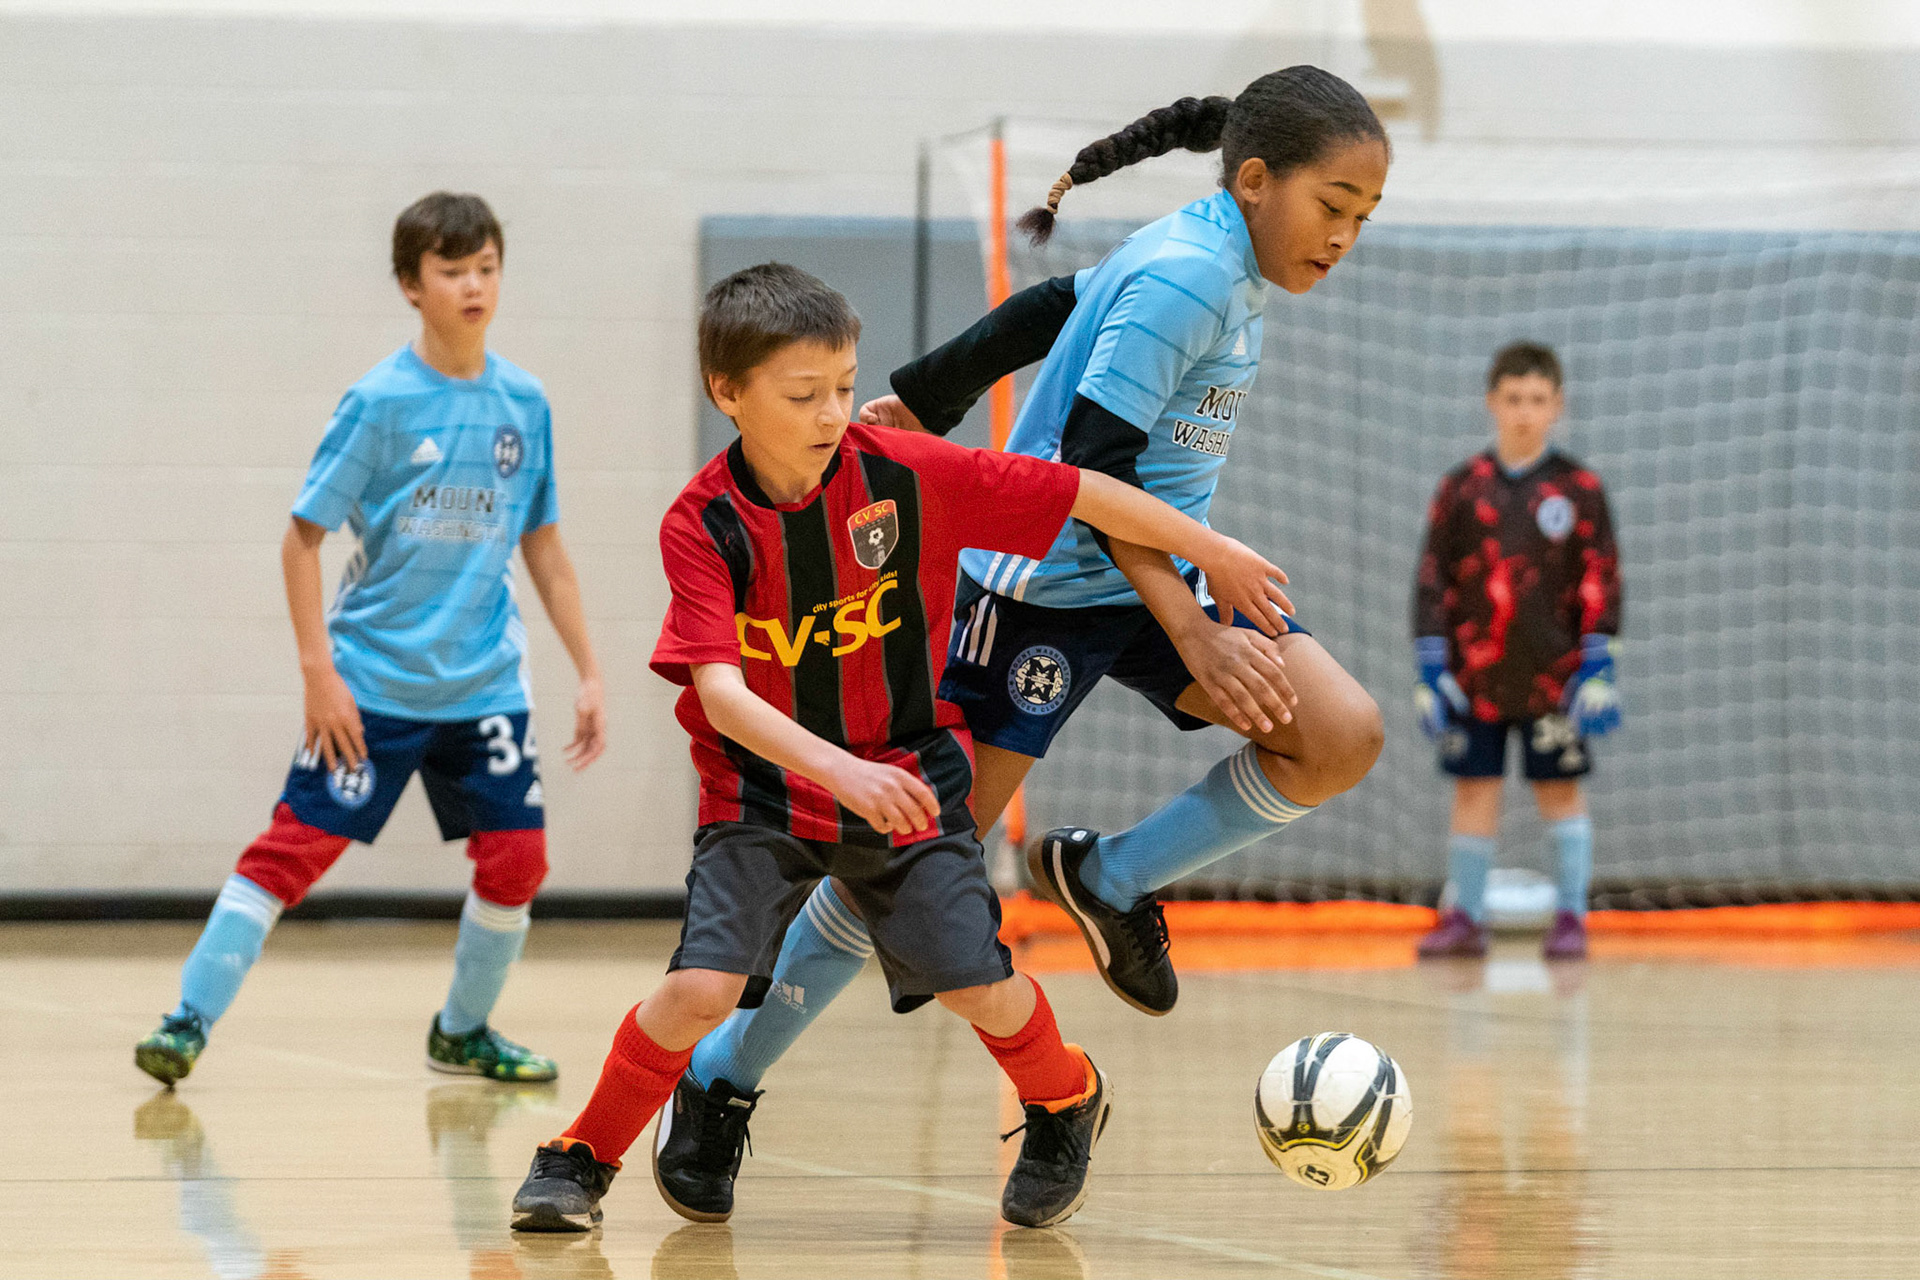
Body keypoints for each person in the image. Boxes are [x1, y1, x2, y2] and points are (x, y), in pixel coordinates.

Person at [656, 66, 1390, 1221]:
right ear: (1256, 182)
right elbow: (1086, 475)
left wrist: (927, 392)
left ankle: (1107, 876)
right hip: (1042, 587)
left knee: (1337, 732)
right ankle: (719, 1076)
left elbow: (1058, 305)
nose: (1344, 235)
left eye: (1363, 216)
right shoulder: (1194, 276)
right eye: (1332, 204)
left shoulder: (1216, 251)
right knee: (902, 851)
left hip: (1155, 577)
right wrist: (1193, 628)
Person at [505, 263, 1294, 1233]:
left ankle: (1065, 1096)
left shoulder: (902, 471)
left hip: (909, 780)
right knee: (699, 987)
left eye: (843, 385)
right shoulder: (703, 523)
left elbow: (1083, 488)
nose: (835, 412)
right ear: (728, 393)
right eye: (804, 395)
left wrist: (1205, 549)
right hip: (764, 794)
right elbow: (718, 690)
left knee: (983, 989)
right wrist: (839, 769)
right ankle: (579, 1155)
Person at [133, 192, 606, 1087]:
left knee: (520, 858)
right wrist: (320, 673)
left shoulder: (524, 402)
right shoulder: (380, 402)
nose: (473, 285)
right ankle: (187, 1019)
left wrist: (589, 670)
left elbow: (544, 545)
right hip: (375, 684)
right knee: (294, 851)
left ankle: (463, 1030)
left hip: (486, 687)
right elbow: (301, 539)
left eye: (487, 268)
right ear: (410, 285)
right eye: (451, 269)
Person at [1412, 341, 1623, 960]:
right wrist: (1430, 669)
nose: (1525, 411)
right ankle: (1465, 919)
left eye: (1537, 399)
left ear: (1557, 405)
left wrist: (1599, 665)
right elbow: (1432, 578)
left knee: (1560, 791)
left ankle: (1572, 919)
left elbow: (1601, 577)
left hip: (1555, 680)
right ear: (1492, 403)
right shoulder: (1460, 488)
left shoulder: (1579, 489)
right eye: (1513, 399)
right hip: (1473, 679)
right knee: (1474, 788)